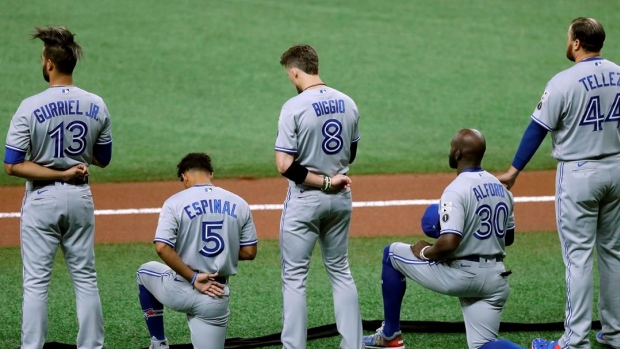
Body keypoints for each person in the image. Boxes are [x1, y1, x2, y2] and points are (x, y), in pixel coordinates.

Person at [496, 17, 620, 349]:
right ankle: (615, 333)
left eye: (569, 38)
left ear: (577, 43)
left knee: (578, 256)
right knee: (613, 253)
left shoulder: (564, 81)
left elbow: (537, 127)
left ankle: (575, 340)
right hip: (617, 170)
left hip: (579, 175)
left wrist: (513, 171)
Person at [3, 26, 112, 349]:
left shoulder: (30, 106)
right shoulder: (96, 104)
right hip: (80, 198)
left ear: (49, 63)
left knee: (36, 283)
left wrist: (56, 170)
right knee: (85, 278)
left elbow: (12, 164)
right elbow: (102, 158)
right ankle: (91, 346)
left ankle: (31, 347)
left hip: (42, 200)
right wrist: (71, 162)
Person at [363, 129, 522, 349]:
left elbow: (448, 243)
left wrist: (425, 252)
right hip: (496, 279)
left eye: (451, 148)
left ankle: (390, 335)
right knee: (483, 344)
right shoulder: (503, 190)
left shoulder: (456, 189)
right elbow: (508, 238)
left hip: (463, 276)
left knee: (391, 254)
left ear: (457, 154)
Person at [275, 44, 363, 349]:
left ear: (296, 70)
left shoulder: (294, 107)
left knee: (295, 278)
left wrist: (323, 182)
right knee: (340, 270)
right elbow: (350, 151)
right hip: (341, 198)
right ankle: (354, 345)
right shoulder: (348, 102)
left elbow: (285, 164)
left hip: (306, 200)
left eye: (290, 74)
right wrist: (332, 178)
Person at [136, 153, 258, 349]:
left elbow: (162, 247)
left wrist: (193, 277)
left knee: (144, 272)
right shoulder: (239, 203)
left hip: (178, 288)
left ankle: (158, 342)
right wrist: (220, 253)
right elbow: (249, 252)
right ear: (211, 173)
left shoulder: (174, 202)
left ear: (184, 176)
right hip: (215, 295)